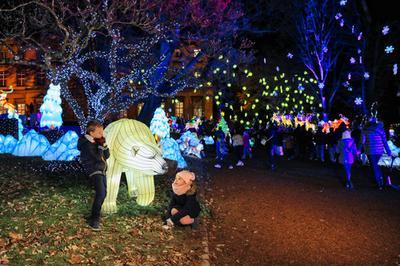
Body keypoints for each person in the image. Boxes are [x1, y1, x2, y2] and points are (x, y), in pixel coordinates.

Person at [77, 120, 110, 230]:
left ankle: (93, 215)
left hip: (102, 169)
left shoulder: (97, 142)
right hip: (93, 170)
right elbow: (96, 157)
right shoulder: (87, 143)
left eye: (102, 132)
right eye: (99, 132)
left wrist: (104, 145)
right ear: (91, 133)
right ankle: (94, 220)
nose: (102, 135)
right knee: (101, 193)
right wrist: (100, 147)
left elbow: (107, 155)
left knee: (104, 193)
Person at [362, 118, 392, 189]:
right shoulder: (381, 130)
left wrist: (359, 149)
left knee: (374, 166)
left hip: (370, 150)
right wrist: (388, 151)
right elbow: (384, 141)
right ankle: (380, 180)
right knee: (375, 165)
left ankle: (379, 183)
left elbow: (362, 141)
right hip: (379, 151)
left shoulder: (365, 130)